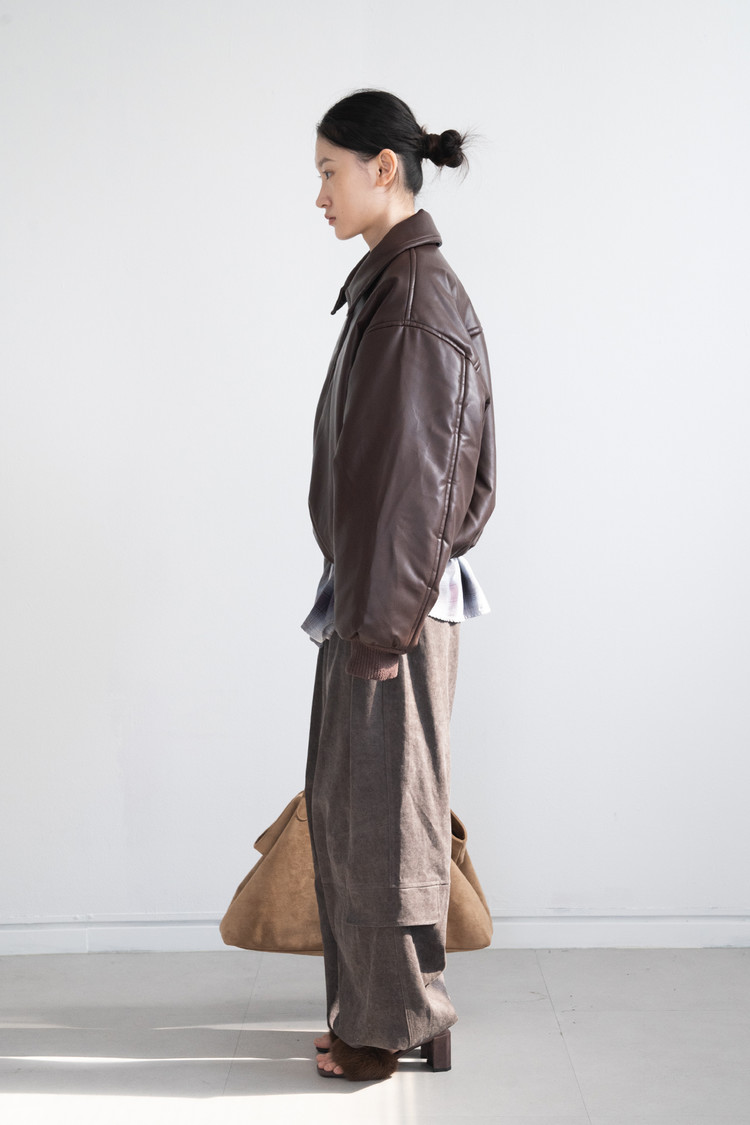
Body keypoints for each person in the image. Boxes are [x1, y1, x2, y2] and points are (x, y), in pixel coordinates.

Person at [302, 89, 496, 1081]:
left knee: (382, 819)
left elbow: (420, 491)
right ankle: (387, 1010)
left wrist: (379, 628)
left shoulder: (413, 301)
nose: (319, 195)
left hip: (394, 606)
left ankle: (384, 1031)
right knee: (367, 810)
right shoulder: (398, 286)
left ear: (385, 169)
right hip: (384, 596)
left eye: (330, 171)